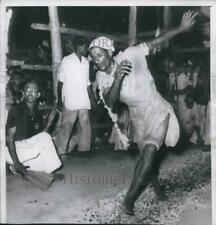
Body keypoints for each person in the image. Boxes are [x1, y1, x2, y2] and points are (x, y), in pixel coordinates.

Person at [88, 10, 198, 215]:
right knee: (148, 157)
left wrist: (181, 28)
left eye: (100, 55)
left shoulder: (131, 54)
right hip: (137, 115)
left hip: (156, 107)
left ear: (109, 52)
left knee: (149, 151)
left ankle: (128, 201)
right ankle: (156, 186)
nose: (97, 61)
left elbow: (157, 42)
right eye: (94, 58)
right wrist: (118, 78)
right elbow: (111, 104)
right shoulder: (102, 78)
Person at [6, 79, 62, 176]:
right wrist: (16, 162)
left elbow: (38, 137)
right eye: (27, 90)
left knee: (42, 162)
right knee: (46, 143)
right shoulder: (17, 109)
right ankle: (14, 164)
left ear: (38, 94)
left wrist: (50, 121)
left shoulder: (36, 112)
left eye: (33, 90)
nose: (30, 92)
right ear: (23, 93)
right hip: (13, 150)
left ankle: (13, 169)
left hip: (26, 149)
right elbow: (9, 138)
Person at [54, 36, 95, 156]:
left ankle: (84, 150)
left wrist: (92, 99)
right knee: (67, 126)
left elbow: (87, 83)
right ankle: (61, 152)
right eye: (85, 46)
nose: (86, 49)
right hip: (70, 99)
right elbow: (60, 82)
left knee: (85, 126)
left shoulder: (86, 62)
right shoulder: (66, 60)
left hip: (83, 99)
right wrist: (59, 102)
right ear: (78, 46)